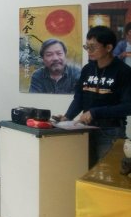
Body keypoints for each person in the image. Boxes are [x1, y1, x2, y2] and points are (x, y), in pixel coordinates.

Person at [54, 26, 131, 168]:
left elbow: (128, 107)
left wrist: (95, 112)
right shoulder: (87, 69)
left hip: (110, 132)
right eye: (87, 46)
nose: (89, 51)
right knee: (85, 170)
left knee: (105, 173)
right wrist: (67, 117)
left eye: (93, 47)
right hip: (85, 129)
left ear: (108, 47)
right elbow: (79, 98)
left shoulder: (124, 71)